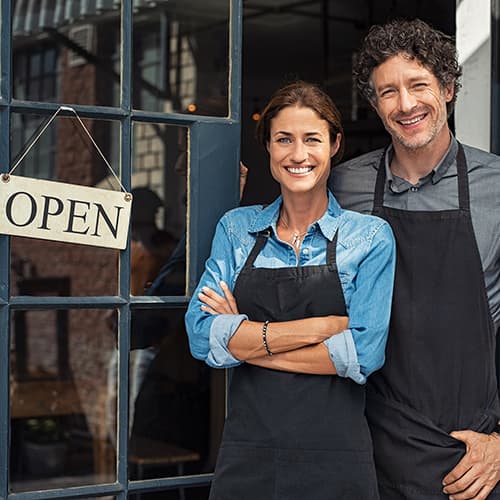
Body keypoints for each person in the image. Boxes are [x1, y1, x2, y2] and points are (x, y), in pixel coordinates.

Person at [185, 81, 396, 499]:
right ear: (268, 148)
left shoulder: (370, 238)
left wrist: (246, 342)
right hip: (249, 456)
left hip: (337, 460)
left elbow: (364, 354)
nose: (298, 155)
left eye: (312, 139)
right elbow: (199, 335)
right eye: (284, 139)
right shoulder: (237, 229)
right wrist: (322, 328)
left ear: (335, 144)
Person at [330, 18, 500, 499]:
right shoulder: (343, 187)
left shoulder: (496, 186)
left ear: (447, 88)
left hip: (468, 455)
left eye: (418, 85)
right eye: (388, 92)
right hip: (365, 437)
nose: (405, 105)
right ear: (375, 104)